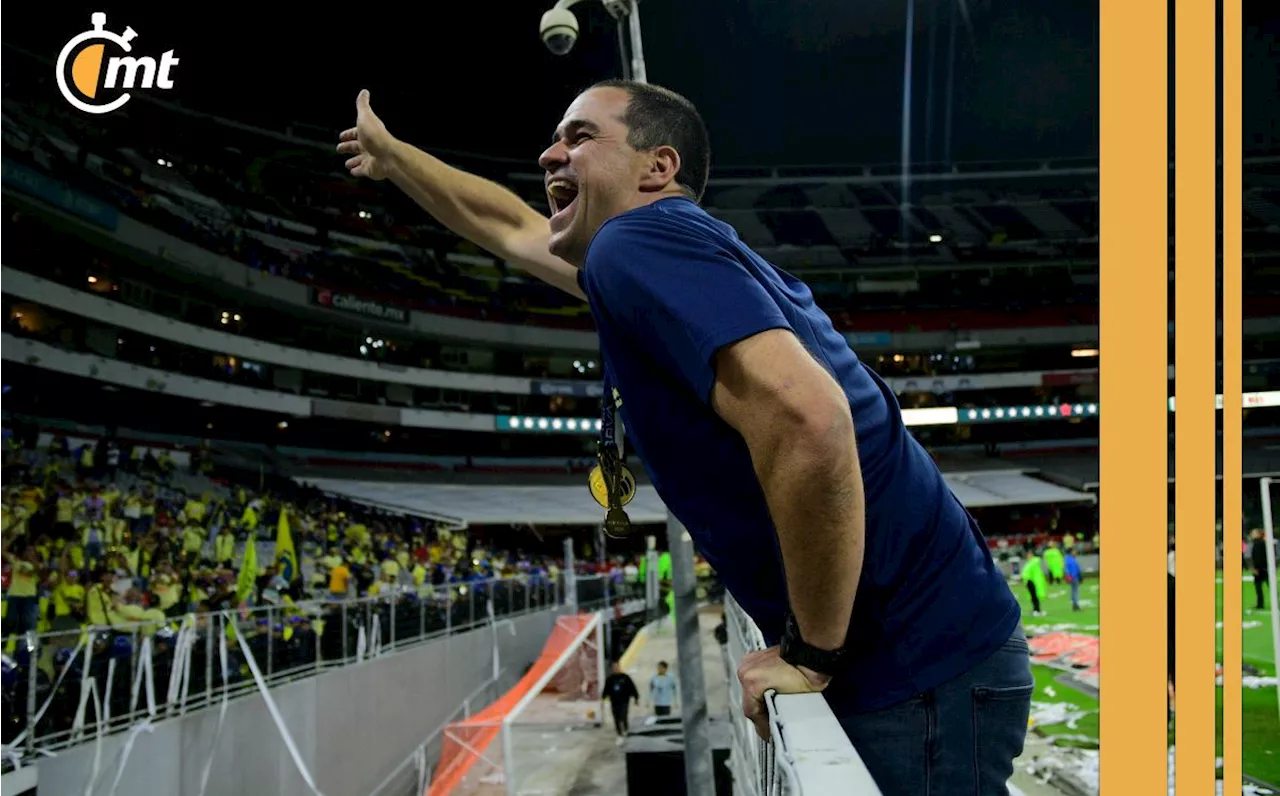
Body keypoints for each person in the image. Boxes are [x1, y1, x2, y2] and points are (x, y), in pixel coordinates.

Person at [338, 81, 1029, 796]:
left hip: (912, 669)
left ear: (657, 168)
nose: (550, 153)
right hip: (935, 656)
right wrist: (397, 159)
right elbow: (511, 227)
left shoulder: (633, 242)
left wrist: (813, 651)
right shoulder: (662, 251)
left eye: (579, 137)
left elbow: (811, 422)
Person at [602, 661, 639, 743]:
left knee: (623, 716)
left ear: (620, 667)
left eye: (617, 667)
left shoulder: (625, 677)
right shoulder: (610, 679)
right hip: (614, 702)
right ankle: (619, 733)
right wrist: (603, 697)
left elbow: (632, 687)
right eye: (614, 667)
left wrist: (636, 697)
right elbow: (606, 690)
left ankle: (626, 730)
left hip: (624, 701)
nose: (616, 669)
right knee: (616, 718)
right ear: (612, 669)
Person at [1022, 550, 1046, 617]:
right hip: (1029, 581)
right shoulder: (1030, 562)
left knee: (1034, 596)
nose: (1028, 556)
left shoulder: (1034, 562)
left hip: (1032, 581)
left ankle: (1037, 610)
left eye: (1029, 555)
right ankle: (1035, 609)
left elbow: (1034, 573)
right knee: (1033, 597)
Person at [1250, 528, 1270, 611]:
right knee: (1270, 586)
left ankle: (1260, 604)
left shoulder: (1257, 543)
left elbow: (1258, 557)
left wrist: (1256, 568)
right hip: (1265, 567)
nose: (1251, 534)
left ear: (1258, 534)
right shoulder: (1263, 542)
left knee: (1259, 587)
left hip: (1260, 569)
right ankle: (1260, 604)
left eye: (1253, 533)